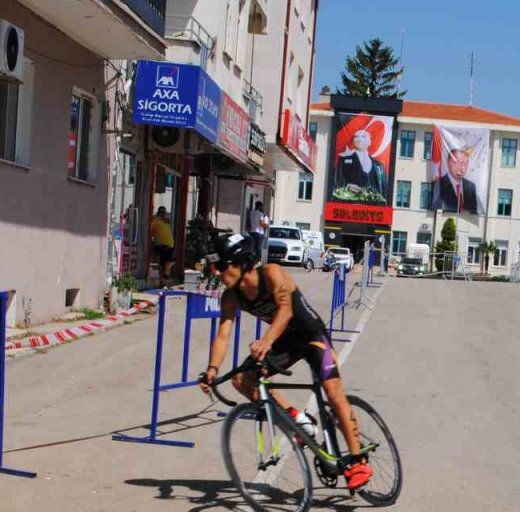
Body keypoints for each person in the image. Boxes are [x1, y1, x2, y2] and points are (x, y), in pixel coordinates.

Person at [199, 233, 372, 489]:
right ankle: (298, 421)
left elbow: (286, 309)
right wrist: (212, 369)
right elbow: (223, 334)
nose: (218, 272)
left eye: (222, 265)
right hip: (285, 341)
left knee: (334, 395)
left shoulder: (272, 273)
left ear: (242, 262)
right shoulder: (231, 296)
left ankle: (358, 460)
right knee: (242, 379)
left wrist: (266, 341)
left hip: (312, 337)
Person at [336, 129, 388, 201]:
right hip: (350, 204)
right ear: (354, 141)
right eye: (356, 136)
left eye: (363, 136)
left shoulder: (379, 166)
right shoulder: (343, 161)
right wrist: (348, 187)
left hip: (374, 208)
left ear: (369, 142)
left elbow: (384, 190)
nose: (359, 139)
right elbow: (337, 183)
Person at [432, 146, 483, 214]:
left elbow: (472, 211)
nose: (461, 167)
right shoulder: (438, 184)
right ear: (448, 162)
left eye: (464, 163)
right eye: (456, 162)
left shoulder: (471, 186)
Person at [150, 206, 175, 285]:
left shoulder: (165, 222)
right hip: (162, 245)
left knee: (165, 263)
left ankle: (164, 279)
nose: (164, 215)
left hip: (169, 245)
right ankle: (164, 277)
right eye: (163, 213)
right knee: (168, 261)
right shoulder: (155, 220)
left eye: (165, 213)